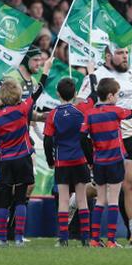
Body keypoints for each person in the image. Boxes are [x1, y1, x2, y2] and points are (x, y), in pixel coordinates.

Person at [78, 45, 132, 246]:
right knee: (103, 191)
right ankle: (74, 201)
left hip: (129, 135)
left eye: (127, 52)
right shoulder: (95, 75)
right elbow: (81, 104)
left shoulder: (131, 74)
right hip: (105, 139)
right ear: (108, 55)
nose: (125, 56)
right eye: (121, 53)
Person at [0, 58, 51, 247]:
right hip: (23, 158)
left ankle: (0, 238)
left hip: (5, 161)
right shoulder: (23, 109)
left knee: (4, 200)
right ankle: (17, 237)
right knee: (21, 198)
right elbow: (38, 91)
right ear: (18, 95)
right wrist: (46, 71)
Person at [82, 77, 132, 248]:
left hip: (99, 161)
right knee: (113, 200)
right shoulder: (116, 111)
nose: (117, 98)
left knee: (100, 200)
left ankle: (94, 239)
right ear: (110, 96)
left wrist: (90, 159)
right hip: (115, 160)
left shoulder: (89, 114)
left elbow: (82, 137)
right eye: (116, 95)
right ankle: (110, 240)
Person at [42, 61, 96, 247]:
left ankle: (63, 239)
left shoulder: (53, 114)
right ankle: (85, 239)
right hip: (80, 160)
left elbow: (47, 140)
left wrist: (50, 160)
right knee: (82, 199)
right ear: (75, 94)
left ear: (57, 93)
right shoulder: (81, 110)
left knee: (63, 200)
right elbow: (95, 96)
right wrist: (91, 74)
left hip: (62, 162)